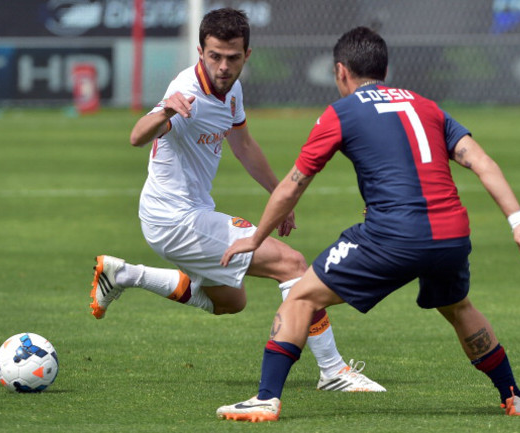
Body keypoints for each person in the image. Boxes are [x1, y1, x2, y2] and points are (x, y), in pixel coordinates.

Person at [216, 26, 520, 422]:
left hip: (393, 236)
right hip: (451, 235)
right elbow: (481, 161)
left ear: (340, 71)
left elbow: (293, 184)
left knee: (301, 297)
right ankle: (515, 397)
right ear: (385, 68)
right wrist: (518, 220)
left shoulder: (341, 112)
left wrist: (256, 237)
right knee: (458, 306)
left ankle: (266, 399)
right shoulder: (427, 106)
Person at [89, 9, 384, 392]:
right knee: (291, 264)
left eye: (232, 57)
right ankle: (333, 371)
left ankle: (124, 274)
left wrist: (282, 196)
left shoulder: (231, 90)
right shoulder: (188, 91)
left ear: (247, 54)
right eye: (214, 56)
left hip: (184, 214)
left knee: (231, 301)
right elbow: (137, 135)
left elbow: (243, 144)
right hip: (175, 220)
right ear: (200, 52)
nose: (223, 66)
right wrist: (165, 109)